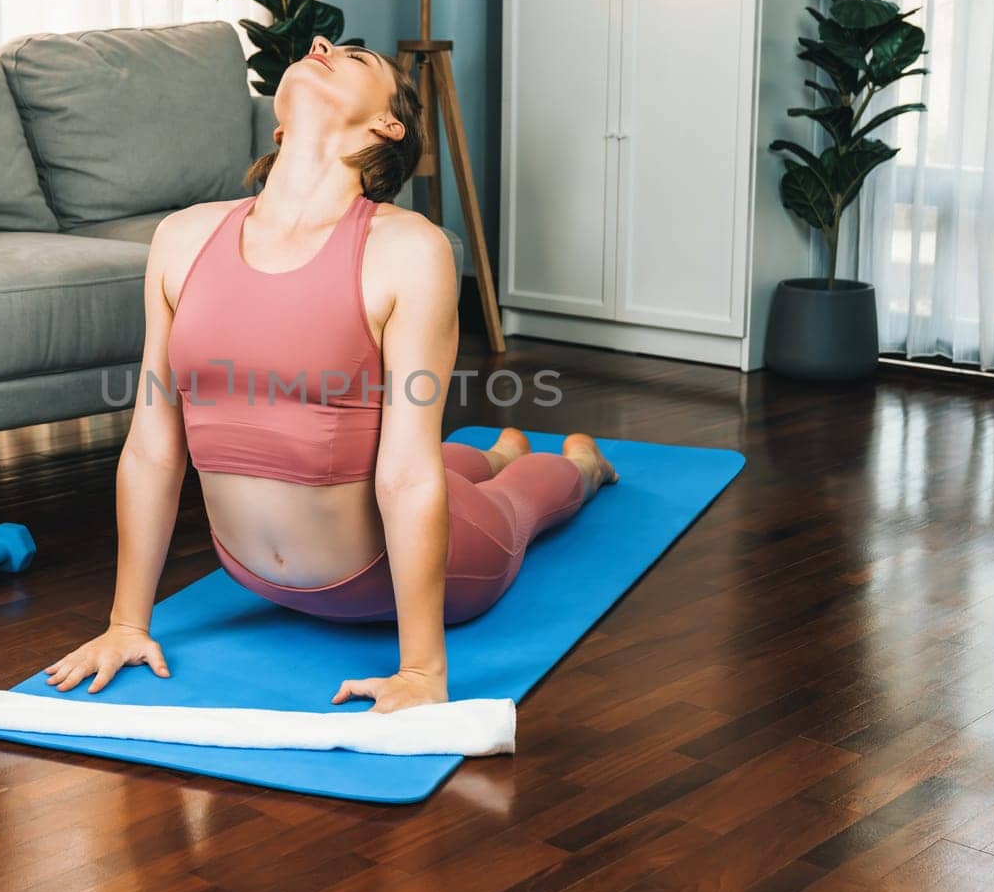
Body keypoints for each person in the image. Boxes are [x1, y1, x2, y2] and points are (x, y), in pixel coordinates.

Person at [44, 35, 618, 713]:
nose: (320, 43)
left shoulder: (409, 249)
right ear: (280, 124)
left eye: (353, 55)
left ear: (388, 124)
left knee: (512, 509)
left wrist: (422, 673)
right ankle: (494, 450)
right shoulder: (183, 237)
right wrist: (125, 625)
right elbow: (151, 444)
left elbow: (405, 474)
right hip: (251, 574)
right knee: (446, 463)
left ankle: (580, 467)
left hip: (378, 579)